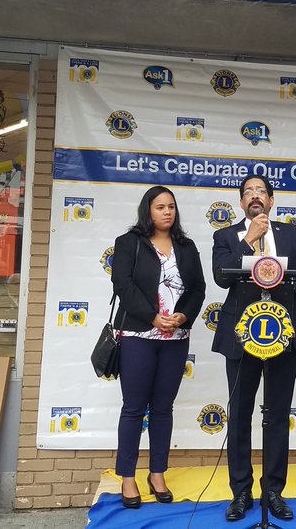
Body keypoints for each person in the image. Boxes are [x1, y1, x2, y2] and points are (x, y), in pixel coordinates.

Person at [211, 174, 296, 522]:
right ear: (241, 202)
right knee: (240, 415)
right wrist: (249, 241)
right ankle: (241, 493)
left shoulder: (291, 234)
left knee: (277, 415)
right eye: (248, 192)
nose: (255, 196)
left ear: (272, 201)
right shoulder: (226, 236)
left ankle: (273, 491)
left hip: (283, 336)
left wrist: (279, 275)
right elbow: (221, 276)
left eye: (261, 191)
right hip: (241, 338)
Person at [110, 186, 206, 509]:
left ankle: (157, 474)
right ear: (147, 211)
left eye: (171, 207)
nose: (167, 212)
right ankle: (127, 477)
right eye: (160, 207)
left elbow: (198, 288)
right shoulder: (129, 243)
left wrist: (183, 316)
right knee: (134, 408)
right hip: (138, 335)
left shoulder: (186, 246)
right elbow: (123, 285)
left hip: (175, 339)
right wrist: (152, 317)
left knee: (163, 408)